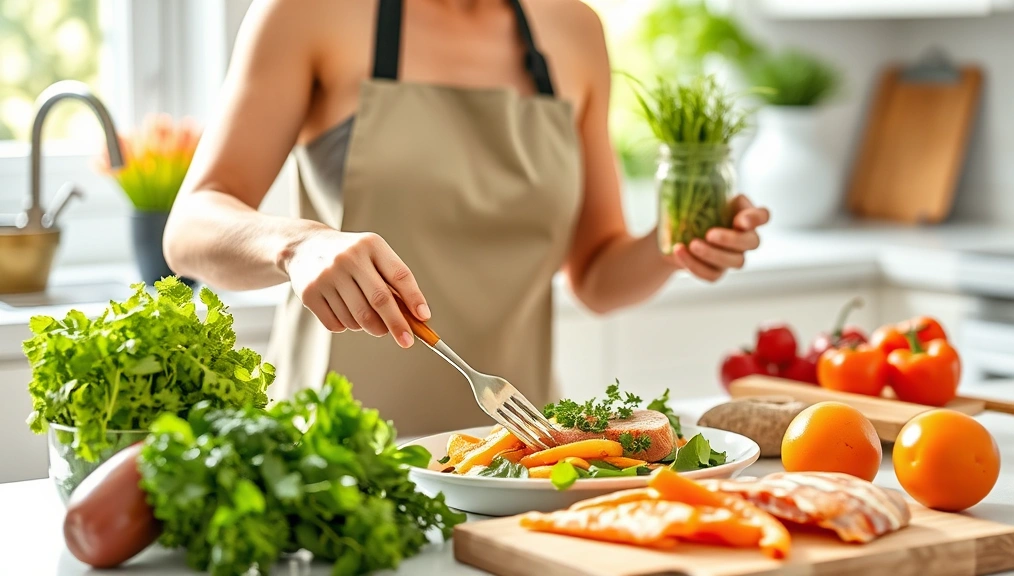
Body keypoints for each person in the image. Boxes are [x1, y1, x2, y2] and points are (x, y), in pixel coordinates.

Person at [164, 0, 770, 436]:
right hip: (337, 460)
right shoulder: (309, 13)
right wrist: (298, 244)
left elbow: (598, 275)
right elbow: (189, 227)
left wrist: (678, 245)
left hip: (518, 458)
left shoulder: (574, 28)